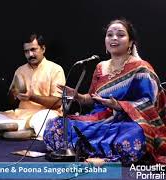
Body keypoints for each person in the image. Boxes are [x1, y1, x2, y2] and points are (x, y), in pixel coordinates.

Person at [43, 19, 166, 165]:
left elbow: (149, 104)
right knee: (56, 125)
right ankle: (93, 150)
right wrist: (78, 97)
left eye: (120, 35)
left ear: (131, 42)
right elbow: (92, 97)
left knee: (135, 136)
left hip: (127, 122)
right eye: (110, 35)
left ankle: (91, 152)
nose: (114, 38)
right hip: (99, 120)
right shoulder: (100, 67)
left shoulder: (141, 68)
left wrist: (119, 106)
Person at [0, 33, 66, 138]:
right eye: (26, 51)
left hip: (43, 114)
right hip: (20, 115)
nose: (30, 55)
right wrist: (14, 95)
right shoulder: (20, 70)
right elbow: (11, 101)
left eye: (33, 49)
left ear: (43, 49)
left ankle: (12, 129)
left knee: (45, 120)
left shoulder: (55, 69)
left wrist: (33, 97)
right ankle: (25, 130)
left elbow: (58, 103)